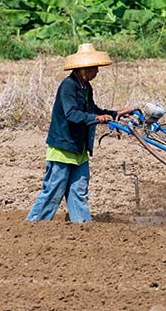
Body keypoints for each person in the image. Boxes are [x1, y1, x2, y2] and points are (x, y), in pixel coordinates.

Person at [26, 43, 132, 222]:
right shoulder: (68, 86)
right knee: (54, 189)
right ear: (83, 69)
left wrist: (115, 114)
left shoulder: (86, 88)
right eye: (93, 68)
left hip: (80, 148)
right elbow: (71, 114)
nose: (96, 72)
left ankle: (83, 226)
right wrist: (97, 119)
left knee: (79, 190)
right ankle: (34, 225)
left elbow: (93, 109)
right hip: (63, 148)